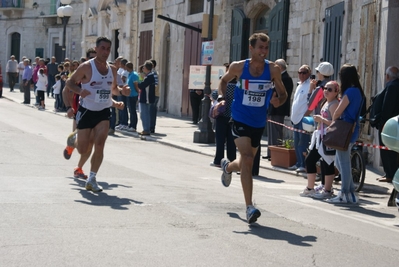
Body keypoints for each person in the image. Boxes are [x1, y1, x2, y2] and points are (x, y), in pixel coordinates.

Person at [218, 33, 287, 224]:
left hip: (258, 122)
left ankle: (228, 166)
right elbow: (224, 81)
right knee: (248, 159)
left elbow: (283, 94)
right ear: (251, 48)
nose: (264, 52)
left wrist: (277, 100)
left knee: (245, 162)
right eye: (260, 48)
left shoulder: (273, 69)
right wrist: (222, 98)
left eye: (266, 48)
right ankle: (249, 207)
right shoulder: (238, 67)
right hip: (239, 117)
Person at [65, 36, 130, 192]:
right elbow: (69, 83)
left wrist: (122, 92)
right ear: (96, 49)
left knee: (100, 144)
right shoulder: (86, 67)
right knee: (83, 149)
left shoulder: (112, 69)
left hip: (103, 111)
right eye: (102, 48)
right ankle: (73, 140)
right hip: (86, 111)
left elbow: (113, 89)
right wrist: (81, 91)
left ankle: (92, 178)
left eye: (108, 49)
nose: (106, 52)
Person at [327, 64, 364, 204]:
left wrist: (333, 120)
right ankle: (349, 193)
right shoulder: (359, 91)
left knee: (343, 162)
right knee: (342, 161)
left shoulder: (349, 92)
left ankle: (345, 193)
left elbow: (338, 111)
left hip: (344, 129)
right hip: (352, 129)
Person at [300, 81, 339, 198]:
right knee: (312, 160)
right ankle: (311, 188)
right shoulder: (326, 103)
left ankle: (327, 190)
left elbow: (335, 123)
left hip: (328, 137)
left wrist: (322, 119)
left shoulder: (334, 104)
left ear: (336, 92)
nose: (326, 91)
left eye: (330, 89)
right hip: (320, 137)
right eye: (325, 88)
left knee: (327, 162)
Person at [62, 48, 97, 180]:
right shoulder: (81, 73)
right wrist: (68, 108)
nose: (95, 59)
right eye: (92, 57)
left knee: (91, 144)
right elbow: (66, 90)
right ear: (87, 59)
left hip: (97, 113)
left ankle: (79, 168)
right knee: (83, 143)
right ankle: (72, 143)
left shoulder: (103, 72)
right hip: (80, 112)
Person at [265, 59, 293, 160]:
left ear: (280, 67)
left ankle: (275, 154)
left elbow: (280, 93)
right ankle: (270, 153)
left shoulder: (285, 78)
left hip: (278, 109)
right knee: (271, 132)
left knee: (276, 132)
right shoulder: (278, 77)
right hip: (272, 108)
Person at [210, 63, 236, 167]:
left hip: (222, 115)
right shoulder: (238, 86)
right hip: (233, 116)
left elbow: (215, 95)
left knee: (220, 139)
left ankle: (218, 160)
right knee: (231, 141)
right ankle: (232, 161)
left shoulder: (225, 85)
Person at [376, 66, 399, 183]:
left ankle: (389, 174)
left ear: (387, 76)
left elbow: (387, 106)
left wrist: (382, 122)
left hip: (389, 124)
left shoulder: (391, 86)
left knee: (387, 149)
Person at [289, 65, 312, 172]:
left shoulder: (310, 85)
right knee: (296, 141)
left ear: (309, 73)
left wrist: (306, 115)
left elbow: (310, 102)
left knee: (302, 142)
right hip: (295, 118)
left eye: (304, 72)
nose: (301, 75)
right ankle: (298, 163)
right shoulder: (299, 85)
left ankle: (303, 164)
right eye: (300, 72)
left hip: (303, 118)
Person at [138, 60, 156, 136]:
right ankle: (146, 129)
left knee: (145, 114)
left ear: (147, 68)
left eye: (144, 67)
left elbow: (141, 85)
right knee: (144, 114)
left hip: (146, 98)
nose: (143, 68)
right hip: (144, 97)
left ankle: (146, 130)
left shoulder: (150, 77)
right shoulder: (148, 76)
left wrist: (138, 81)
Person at [126, 61, 140, 132]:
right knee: (130, 110)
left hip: (133, 95)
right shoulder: (130, 74)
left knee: (133, 110)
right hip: (129, 95)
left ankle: (133, 125)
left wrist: (138, 93)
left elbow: (136, 85)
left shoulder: (134, 75)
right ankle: (131, 124)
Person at [150, 59, 159, 133]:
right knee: (151, 111)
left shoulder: (153, 73)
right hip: (154, 94)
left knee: (152, 112)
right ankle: (151, 127)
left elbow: (155, 84)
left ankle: (151, 127)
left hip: (154, 95)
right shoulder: (152, 73)